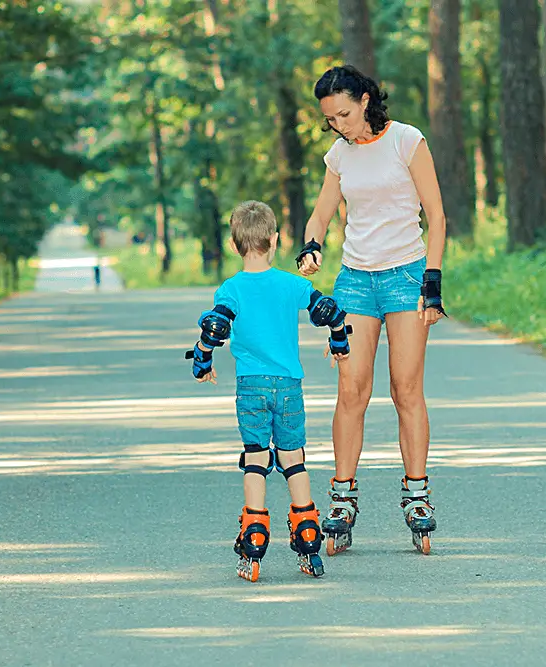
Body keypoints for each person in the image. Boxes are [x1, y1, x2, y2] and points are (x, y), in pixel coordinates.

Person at [297, 65, 448, 556]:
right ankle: (342, 499)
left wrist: (433, 282)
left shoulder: (407, 141)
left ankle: (417, 495)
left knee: (405, 388)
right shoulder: (339, 155)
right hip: (356, 281)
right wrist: (312, 245)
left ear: (365, 100)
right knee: (350, 389)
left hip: (407, 275)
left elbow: (438, 214)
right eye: (329, 119)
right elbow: (321, 211)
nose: (337, 124)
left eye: (343, 113)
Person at [186, 200, 353, 582]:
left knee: (256, 457)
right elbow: (328, 310)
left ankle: (255, 533)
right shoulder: (292, 284)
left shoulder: (231, 289)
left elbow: (215, 327)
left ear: (233, 245)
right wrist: (339, 343)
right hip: (289, 386)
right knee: (293, 457)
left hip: (251, 388)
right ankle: (309, 535)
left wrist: (203, 361)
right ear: (275, 240)